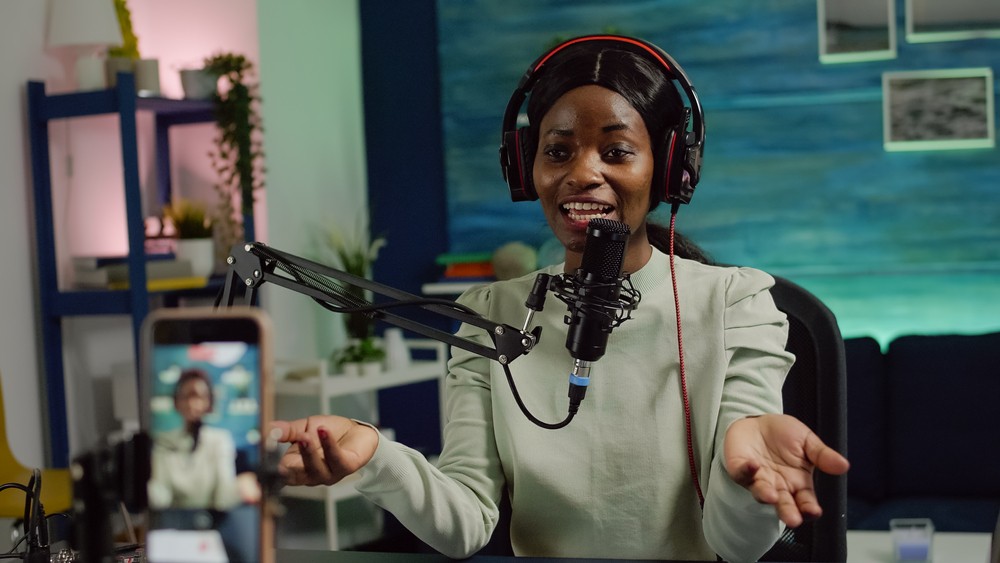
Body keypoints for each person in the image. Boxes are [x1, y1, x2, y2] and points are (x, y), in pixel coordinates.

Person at [273, 35, 849, 562]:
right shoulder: (488, 314)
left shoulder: (736, 304)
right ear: (527, 168)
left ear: (669, 169)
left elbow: (738, 545)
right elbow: (465, 521)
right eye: (558, 151)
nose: (582, 173)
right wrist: (374, 455)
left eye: (617, 151)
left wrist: (745, 475)